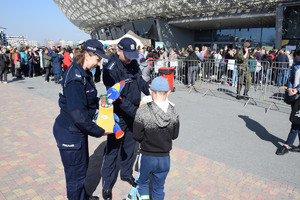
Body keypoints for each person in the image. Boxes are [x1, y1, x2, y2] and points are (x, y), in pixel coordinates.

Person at [53, 39, 110, 200]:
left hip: (76, 131)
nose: (98, 64)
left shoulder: (81, 73)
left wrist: (101, 102)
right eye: (97, 59)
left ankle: (82, 197)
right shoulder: (75, 79)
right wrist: (99, 131)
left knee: (80, 169)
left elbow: (86, 100)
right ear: (87, 55)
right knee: (75, 177)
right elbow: (77, 115)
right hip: (70, 132)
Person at [101, 37, 150, 200]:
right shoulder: (111, 68)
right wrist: (134, 112)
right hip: (118, 114)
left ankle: (126, 173)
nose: (129, 58)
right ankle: (107, 186)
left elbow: (140, 81)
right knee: (113, 150)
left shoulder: (133, 62)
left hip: (134, 111)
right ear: (118, 50)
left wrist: (151, 91)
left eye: (132, 54)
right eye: (126, 55)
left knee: (130, 145)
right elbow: (117, 98)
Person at [133, 76, 180, 200]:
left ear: (150, 91)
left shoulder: (142, 110)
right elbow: (174, 135)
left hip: (147, 155)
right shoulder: (173, 112)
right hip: (164, 157)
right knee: (159, 188)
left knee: (142, 183)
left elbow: (137, 135)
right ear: (169, 92)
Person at [276, 55, 300, 155]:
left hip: (298, 94)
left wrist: (297, 89)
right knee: (297, 120)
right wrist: (289, 89)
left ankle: (287, 145)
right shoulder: (295, 65)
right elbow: (291, 78)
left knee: (295, 121)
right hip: (294, 96)